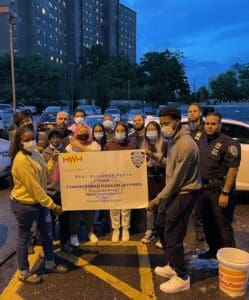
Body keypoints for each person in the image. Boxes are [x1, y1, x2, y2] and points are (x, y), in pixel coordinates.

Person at [148, 107, 201, 294]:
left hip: (183, 194)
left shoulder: (185, 145)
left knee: (173, 234)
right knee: (161, 225)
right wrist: (154, 156)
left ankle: (182, 276)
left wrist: (156, 200)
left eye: (166, 123)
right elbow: (169, 164)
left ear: (177, 121)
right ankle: (172, 264)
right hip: (173, 192)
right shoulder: (173, 141)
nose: (163, 127)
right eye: (161, 124)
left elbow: (177, 180)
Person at [10, 127, 68, 284]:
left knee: (47, 233)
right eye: (26, 140)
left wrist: (53, 161)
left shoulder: (35, 153)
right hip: (25, 205)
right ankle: (23, 272)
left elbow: (44, 175)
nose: (31, 142)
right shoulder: (21, 160)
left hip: (40, 203)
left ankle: (50, 263)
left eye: (32, 138)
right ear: (19, 142)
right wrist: (53, 205)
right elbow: (35, 188)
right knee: (24, 238)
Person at [198, 112, 241, 259]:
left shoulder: (229, 143)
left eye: (213, 123)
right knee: (207, 223)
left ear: (220, 125)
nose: (209, 126)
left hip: (219, 191)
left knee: (223, 225)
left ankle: (230, 258)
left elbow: (233, 170)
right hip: (203, 190)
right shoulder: (202, 141)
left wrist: (226, 193)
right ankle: (213, 251)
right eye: (207, 123)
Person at [42, 128, 74, 254]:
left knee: (65, 222)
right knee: (49, 223)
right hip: (49, 193)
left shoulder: (65, 152)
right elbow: (42, 172)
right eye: (53, 137)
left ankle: (64, 242)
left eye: (58, 137)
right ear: (49, 139)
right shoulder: (45, 153)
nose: (55, 139)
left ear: (61, 138)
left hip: (64, 193)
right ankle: (48, 246)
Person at [66, 125, 98, 246]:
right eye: (81, 132)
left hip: (91, 182)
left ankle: (90, 231)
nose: (83, 133)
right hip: (75, 184)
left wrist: (79, 147)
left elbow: (96, 157)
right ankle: (74, 233)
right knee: (75, 211)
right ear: (76, 134)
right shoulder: (69, 147)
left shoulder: (94, 145)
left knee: (90, 210)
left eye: (86, 131)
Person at [104, 122, 135, 242]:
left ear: (126, 132)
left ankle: (125, 228)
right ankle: (116, 229)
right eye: (118, 130)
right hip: (112, 180)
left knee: (126, 206)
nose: (120, 133)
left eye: (122, 131)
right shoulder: (108, 145)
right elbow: (104, 162)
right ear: (114, 132)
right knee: (114, 206)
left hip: (127, 180)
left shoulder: (131, 145)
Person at [141, 121, 166, 244]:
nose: (150, 132)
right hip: (148, 179)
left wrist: (153, 156)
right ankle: (150, 230)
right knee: (149, 207)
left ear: (158, 130)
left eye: (153, 129)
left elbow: (167, 162)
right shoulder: (143, 145)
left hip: (161, 179)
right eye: (148, 129)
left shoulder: (165, 144)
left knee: (162, 207)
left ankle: (162, 234)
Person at [187, 103, 205, 241]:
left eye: (194, 111)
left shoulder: (206, 129)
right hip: (188, 173)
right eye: (189, 111)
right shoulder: (186, 130)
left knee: (200, 205)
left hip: (202, 172)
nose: (192, 113)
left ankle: (200, 230)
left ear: (200, 113)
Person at [129, 114, 146, 233]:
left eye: (139, 120)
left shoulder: (150, 135)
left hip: (148, 173)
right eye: (135, 121)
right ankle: (135, 226)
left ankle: (148, 227)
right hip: (133, 174)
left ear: (144, 121)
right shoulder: (130, 137)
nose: (137, 122)